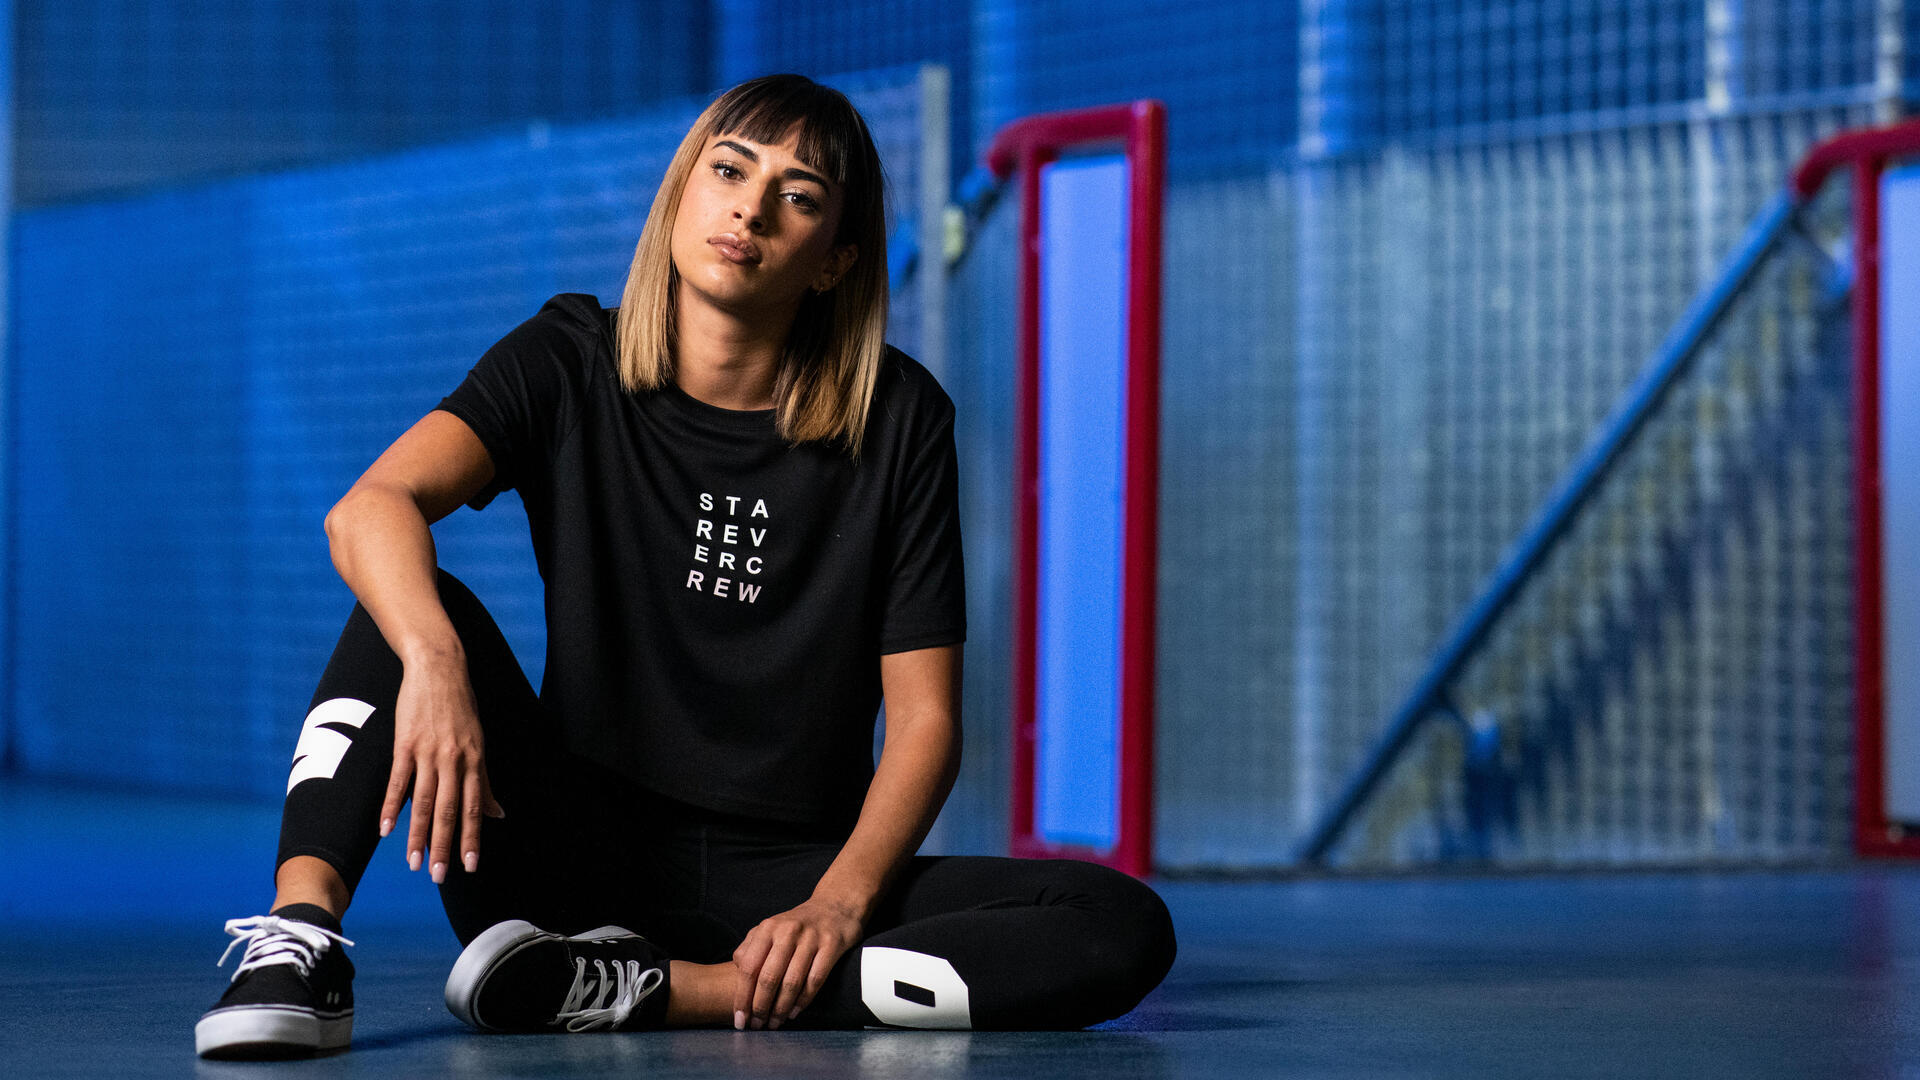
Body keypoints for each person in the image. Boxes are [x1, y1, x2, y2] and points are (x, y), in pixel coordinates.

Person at [193, 73, 1176, 1060]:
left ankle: (665, 993)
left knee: (1116, 924)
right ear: (682, 195)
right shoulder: (567, 359)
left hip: (791, 881)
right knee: (407, 607)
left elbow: (925, 721)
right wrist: (437, 664)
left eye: (797, 195)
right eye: (730, 169)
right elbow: (370, 507)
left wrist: (838, 904)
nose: (749, 207)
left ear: (833, 260)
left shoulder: (900, 421)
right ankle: (302, 943)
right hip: (560, 866)